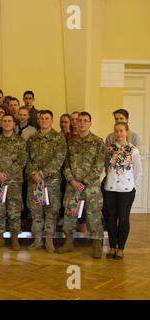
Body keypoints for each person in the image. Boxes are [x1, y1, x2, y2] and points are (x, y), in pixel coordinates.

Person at [58, 112, 106, 258]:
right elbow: (65, 164)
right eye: (80, 121)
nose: (82, 123)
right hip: (73, 187)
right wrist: (72, 181)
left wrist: (84, 182)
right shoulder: (71, 143)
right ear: (76, 124)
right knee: (70, 215)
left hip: (90, 188)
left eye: (85, 121)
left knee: (94, 216)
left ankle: (97, 245)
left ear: (90, 123)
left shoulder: (98, 142)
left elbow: (99, 166)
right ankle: (69, 242)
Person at [26, 110, 67, 252]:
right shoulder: (32, 139)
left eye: (47, 118)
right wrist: (33, 173)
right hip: (35, 182)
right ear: (38, 121)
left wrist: (42, 173)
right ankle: (37, 240)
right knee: (36, 211)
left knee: (51, 212)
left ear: (52, 120)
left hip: (51, 182)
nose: (44, 121)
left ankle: (49, 240)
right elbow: (27, 159)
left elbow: (58, 160)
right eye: (41, 118)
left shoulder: (58, 138)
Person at [0, 114, 27, 251]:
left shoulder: (20, 141)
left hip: (14, 182)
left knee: (14, 210)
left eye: (9, 121)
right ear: (1, 123)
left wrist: (7, 174)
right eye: (4, 121)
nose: (6, 123)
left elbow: (22, 161)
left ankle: (15, 239)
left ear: (13, 124)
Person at [104, 122, 142, 260]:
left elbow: (138, 172)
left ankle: (121, 248)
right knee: (111, 218)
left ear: (126, 132)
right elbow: (106, 167)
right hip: (110, 188)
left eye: (121, 131)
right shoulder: (109, 149)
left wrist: (133, 187)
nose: (119, 133)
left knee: (124, 218)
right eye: (116, 131)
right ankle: (112, 246)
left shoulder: (133, 150)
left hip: (127, 190)